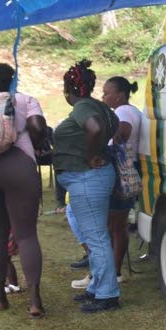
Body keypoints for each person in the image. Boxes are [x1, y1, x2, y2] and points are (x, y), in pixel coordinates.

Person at [0, 63, 49, 317]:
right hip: (19, 164)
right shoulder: (25, 99)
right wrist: (36, 144)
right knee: (26, 234)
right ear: (13, 79)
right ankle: (35, 299)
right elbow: (38, 128)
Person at [53, 60, 122, 313]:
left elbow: (96, 127)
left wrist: (91, 154)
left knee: (97, 237)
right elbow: (112, 125)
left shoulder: (82, 107)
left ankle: (107, 294)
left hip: (87, 177)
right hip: (93, 177)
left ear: (67, 88)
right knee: (96, 236)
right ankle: (96, 287)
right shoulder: (101, 106)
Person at [94, 76, 143, 288]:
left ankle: (114, 271)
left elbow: (123, 132)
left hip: (119, 172)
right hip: (128, 170)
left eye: (107, 93)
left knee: (114, 225)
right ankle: (113, 269)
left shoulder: (122, 112)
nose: (103, 97)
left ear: (120, 95)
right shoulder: (134, 111)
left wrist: (105, 129)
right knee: (117, 224)